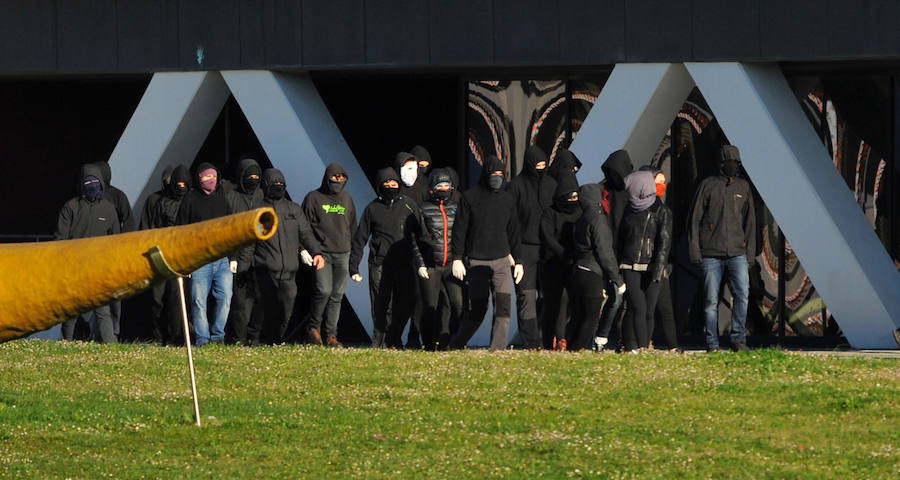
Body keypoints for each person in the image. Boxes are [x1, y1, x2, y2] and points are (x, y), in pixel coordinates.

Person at [449, 155, 522, 351]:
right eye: (493, 173)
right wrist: (457, 258)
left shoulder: (507, 199)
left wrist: (520, 261)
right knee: (478, 309)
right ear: (486, 174)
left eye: (500, 174)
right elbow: (459, 230)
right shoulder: (470, 197)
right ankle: (456, 345)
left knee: (504, 308)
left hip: (501, 261)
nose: (497, 177)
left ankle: (497, 350)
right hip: (476, 262)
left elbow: (514, 231)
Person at [688, 145, 756, 352]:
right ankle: (712, 343)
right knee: (710, 300)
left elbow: (751, 223)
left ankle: (738, 339)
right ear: (722, 163)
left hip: (737, 253)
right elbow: (694, 219)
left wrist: (750, 253)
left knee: (743, 295)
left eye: (737, 163)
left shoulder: (743, 188)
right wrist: (695, 250)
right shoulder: (707, 186)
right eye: (731, 162)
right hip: (711, 254)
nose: (734, 166)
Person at [349, 167, 419, 348]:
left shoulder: (409, 205)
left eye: (393, 182)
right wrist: (354, 266)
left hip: (405, 264)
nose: (390, 186)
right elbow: (360, 238)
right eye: (386, 183)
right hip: (379, 264)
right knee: (380, 307)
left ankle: (394, 338)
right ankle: (379, 342)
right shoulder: (372, 208)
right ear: (380, 186)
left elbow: (422, 235)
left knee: (404, 306)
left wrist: (424, 262)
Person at [254, 168, 325, 344]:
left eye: (281, 184)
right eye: (274, 184)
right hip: (266, 268)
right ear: (266, 186)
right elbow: (249, 240)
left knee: (287, 308)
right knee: (270, 308)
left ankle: (279, 337)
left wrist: (317, 253)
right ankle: (272, 341)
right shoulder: (258, 210)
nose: (278, 187)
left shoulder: (293, 209)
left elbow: (306, 233)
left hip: (290, 270)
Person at [55, 163, 121, 343]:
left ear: (101, 182)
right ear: (81, 184)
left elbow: (116, 239)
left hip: (99, 267)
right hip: (75, 266)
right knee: (72, 309)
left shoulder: (108, 209)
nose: (91, 184)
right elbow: (60, 239)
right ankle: (66, 342)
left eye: (95, 180)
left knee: (102, 309)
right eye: (87, 181)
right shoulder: (71, 207)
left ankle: (111, 347)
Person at [176, 162, 233, 346]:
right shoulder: (190, 199)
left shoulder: (223, 200)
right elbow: (181, 231)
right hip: (199, 260)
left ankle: (218, 336)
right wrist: (186, 261)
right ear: (199, 178)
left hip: (222, 260)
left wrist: (233, 258)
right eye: (207, 177)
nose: (211, 180)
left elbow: (230, 230)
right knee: (198, 302)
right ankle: (202, 339)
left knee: (225, 298)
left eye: (214, 176)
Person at [302, 162, 357, 347]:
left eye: (341, 178)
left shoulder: (347, 198)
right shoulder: (313, 198)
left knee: (337, 295)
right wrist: (308, 250)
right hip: (322, 253)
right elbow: (305, 227)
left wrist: (353, 251)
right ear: (327, 178)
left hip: (343, 253)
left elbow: (352, 226)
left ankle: (331, 335)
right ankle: (313, 328)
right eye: (334, 177)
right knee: (323, 290)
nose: (337, 181)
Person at [507, 145, 556, 349]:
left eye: (544, 165)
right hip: (523, 249)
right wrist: (512, 253)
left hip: (548, 249)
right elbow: (510, 221)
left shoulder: (551, 185)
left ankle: (546, 337)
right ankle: (531, 342)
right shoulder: (516, 186)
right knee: (526, 295)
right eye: (537, 165)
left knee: (548, 295)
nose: (540, 169)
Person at [618, 170, 672, 352]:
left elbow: (664, 241)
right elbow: (622, 237)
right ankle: (638, 346)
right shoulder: (629, 209)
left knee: (649, 309)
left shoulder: (661, 210)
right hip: (630, 263)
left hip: (651, 265)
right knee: (637, 305)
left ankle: (644, 345)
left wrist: (658, 268)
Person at [412, 168, 464, 350]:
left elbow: (461, 235)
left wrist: (460, 259)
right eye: (440, 185)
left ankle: (452, 341)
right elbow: (414, 238)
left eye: (447, 185)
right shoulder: (422, 208)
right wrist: (420, 263)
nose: (444, 188)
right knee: (430, 306)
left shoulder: (457, 208)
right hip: (430, 265)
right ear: (432, 188)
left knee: (456, 304)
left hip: (451, 264)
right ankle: (428, 343)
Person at [570, 183, 625, 351]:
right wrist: (617, 278)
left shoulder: (581, 218)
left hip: (579, 269)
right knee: (591, 317)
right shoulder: (598, 219)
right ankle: (578, 350)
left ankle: (573, 349)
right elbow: (604, 251)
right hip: (593, 271)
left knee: (579, 316)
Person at [140, 165, 190, 345]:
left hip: (178, 257)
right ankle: (158, 336)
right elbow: (146, 228)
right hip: (158, 255)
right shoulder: (154, 200)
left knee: (176, 299)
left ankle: (174, 337)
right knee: (157, 299)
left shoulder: (187, 201)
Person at [594, 149, 634, 350]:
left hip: (619, 252)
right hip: (609, 253)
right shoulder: (606, 192)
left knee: (620, 300)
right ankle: (603, 337)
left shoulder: (621, 193)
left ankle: (617, 339)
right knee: (616, 299)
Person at [224, 156, 265, 345]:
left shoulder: (262, 197)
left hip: (260, 257)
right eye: (249, 176)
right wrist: (232, 257)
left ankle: (254, 337)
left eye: (257, 176)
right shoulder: (231, 197)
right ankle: (239, 339)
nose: (253, 179)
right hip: (239, 257)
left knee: (259, 300)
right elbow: (227, 229)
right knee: (240, 303)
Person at [539, 173, 581, 350]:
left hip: (574, 264)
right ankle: (550, 341)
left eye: (575, 197)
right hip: (552, 264)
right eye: (569, 197)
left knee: (574, 303)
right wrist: (564, 254)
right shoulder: (550, 213)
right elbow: (548, 237)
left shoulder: (579, 211)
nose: (573, 200)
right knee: (553, 304)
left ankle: (567, 338)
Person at [642, 167, 681, 352]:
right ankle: (646, 342)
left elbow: (664, 239)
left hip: (657, 264)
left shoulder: (662, 210)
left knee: (663, 307)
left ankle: (672, 345)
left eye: (663, 182)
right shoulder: (643, 207)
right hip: (648, 263)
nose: (662, 186)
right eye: (658, 182)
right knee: (650, 307)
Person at [96, 160, 134, 339]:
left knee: (114, 295)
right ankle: (100, 332)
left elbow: (127, 221)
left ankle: (114, 331)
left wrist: (122, 243)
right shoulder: (96, 194)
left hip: (113, 251)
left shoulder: (118, 196)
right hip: (97, 252)